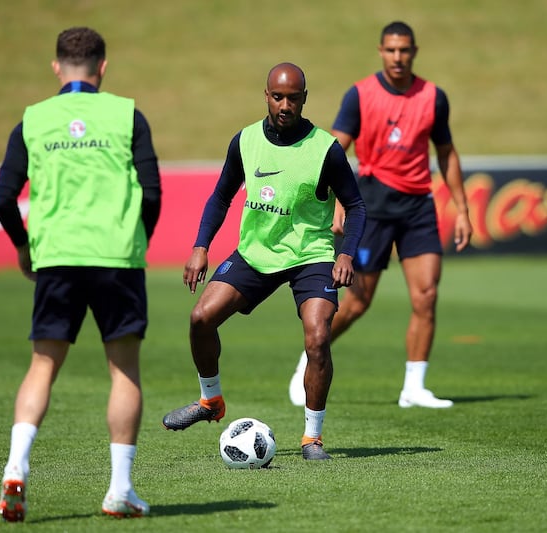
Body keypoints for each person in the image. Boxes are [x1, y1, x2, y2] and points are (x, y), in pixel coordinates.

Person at [0, 27, 161, 521]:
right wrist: (136, 240)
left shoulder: (34, 120)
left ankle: (16, 466)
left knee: (43, 365)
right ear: (102, 68)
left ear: (57, 68)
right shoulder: (128, 115)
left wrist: (24, 247)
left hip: (57, 258)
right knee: (123, 370)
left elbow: (3, 198)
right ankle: (120, 490)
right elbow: (151, 192)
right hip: (116, 258)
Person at [161, 62, 366, 461]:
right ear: (266, 95)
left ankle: (312, 439)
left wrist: (345, 253)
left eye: (293, 97)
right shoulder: (245, 140)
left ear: (304, 99)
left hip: (311, 255)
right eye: (277, 96)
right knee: (201, 318)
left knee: (319, 336)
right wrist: (201, 245)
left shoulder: (326, 148)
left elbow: (356, 206)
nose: (285, 104)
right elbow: (221, 196)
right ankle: (210, 402)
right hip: (256, 253)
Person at [288, 21, 472, 409]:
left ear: (414, 52)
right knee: (356, 302)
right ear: (381, 51)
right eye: (391, 50)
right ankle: (311, 355)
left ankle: (414, 387)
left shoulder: (433, 97)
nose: (398, 57)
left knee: (427, 295)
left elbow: (446, 152)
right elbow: (334, 151)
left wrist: (462, 209)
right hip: (372, 205)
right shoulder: (360, 95)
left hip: (418, 206)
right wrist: (336, 201)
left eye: (405, 50)